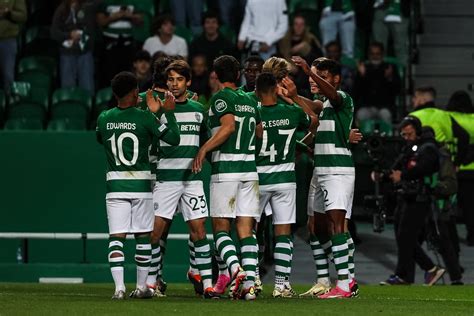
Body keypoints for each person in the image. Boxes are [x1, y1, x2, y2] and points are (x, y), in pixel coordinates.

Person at [95, 71, 180, 299]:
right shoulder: (144, 118)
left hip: (115, 187)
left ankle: (119, 288)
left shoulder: (104, 118)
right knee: (143, 237)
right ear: (135, 92)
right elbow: (173, 138)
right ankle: (142, 287)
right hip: (141, 186)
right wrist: (167, 113)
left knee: (116, 238)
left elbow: (99, 137)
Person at [192, 55, 260, 300]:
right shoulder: (251, 101)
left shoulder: (221, 98)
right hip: (250, 170)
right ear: (239, 74)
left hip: (227, 170)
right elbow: (260, 132)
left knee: (221, 229)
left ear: (216, 75)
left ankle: (235, 269)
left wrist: (204, 148)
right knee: (245, 229)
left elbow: (229, 126)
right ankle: (249, 287)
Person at [145, 60, 214, 298]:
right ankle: (151, 283)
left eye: (179, 79)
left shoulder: (198, 109)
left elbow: (206, 139)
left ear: (189, 82)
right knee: (155, 233)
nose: (174, 84)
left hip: (192, 181)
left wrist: (202, 154)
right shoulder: (158, 108)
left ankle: (207, 285)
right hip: (166, 179)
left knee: (200, 232)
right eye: (171, 79)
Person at [292, 56, 357, 299]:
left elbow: (332, 96)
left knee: (337, 226)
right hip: (321, 171)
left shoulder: (343, 99)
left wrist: (309, 70)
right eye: (314, 76)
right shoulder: (324, 104)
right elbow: (310, 107)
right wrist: (291, 94)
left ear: (336, 79)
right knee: (316, 227)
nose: (315, 80)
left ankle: (344, 283)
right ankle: (336, 280)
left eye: (323, 75)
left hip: (337, 170)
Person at [254, 72, 316, 298]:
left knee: (251, 230)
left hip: (258, 178)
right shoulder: (292, 112)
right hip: (286, 179)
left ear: (258, 91)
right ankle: (281, 285)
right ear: (276, 89)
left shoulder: (255, 113)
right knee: (283, 231)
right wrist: (293, 99)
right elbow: (314, 122)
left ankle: (253, 280)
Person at [379, 116, 446, 285]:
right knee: (404, 238)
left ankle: (428, 269)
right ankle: (407, 275)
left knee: (405, 237)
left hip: (420, 198)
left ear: (418, 131)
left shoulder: (428, 148)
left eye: (409, 134)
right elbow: (397, 167)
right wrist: (383, 176)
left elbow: (424, 168)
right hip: (407, 196)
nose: (407, 137)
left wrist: (403, 175)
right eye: (404, 134)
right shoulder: (410, 148)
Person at [446, 91, 474, 246]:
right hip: (471, 170)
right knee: (471, 207)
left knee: (448, 207)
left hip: (451, 168)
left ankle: (449, 237)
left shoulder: (448, 118)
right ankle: (472, 236)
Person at [50, 0, 96, 94]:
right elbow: (54, 33)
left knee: (87, 88)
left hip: (84, 53)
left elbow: (93, 30)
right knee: (68, 88)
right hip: (67, 54)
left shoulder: (87, 8)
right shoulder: (61, 10)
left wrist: (82, 37)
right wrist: (69, 35)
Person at [96, 0, 143, 88]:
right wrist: (114, 17)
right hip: (110, 44)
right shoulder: (105, 3)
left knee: (127, 76)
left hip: (127, 44)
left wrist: (130, 16)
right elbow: (100, 22)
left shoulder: (133, 2)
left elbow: (140, 22)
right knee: (109, 75)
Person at [354, 42, 401, 124]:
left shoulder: (389, 68)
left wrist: (389, 78)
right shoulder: (364, 69)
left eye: (378, 54)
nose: (375, 56)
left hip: (385, 106)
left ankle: (387, 136)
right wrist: (361, 76)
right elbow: (356, 92)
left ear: (382, 54)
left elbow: (397, 90)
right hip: (367, 106)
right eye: (372, 54)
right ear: (369, 55)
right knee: (361, 115)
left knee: (385, 115)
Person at [0, 0, 26, 95]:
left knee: (8, 77)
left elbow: (23, 16)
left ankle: (9, 102)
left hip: (7, 41)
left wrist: (9, 13)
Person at [372, 0, 409, 66]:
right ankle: (378, 73)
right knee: (378, 47)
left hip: (399, 8)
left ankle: (403, 73)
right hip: (380, 8)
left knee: (401, 47)